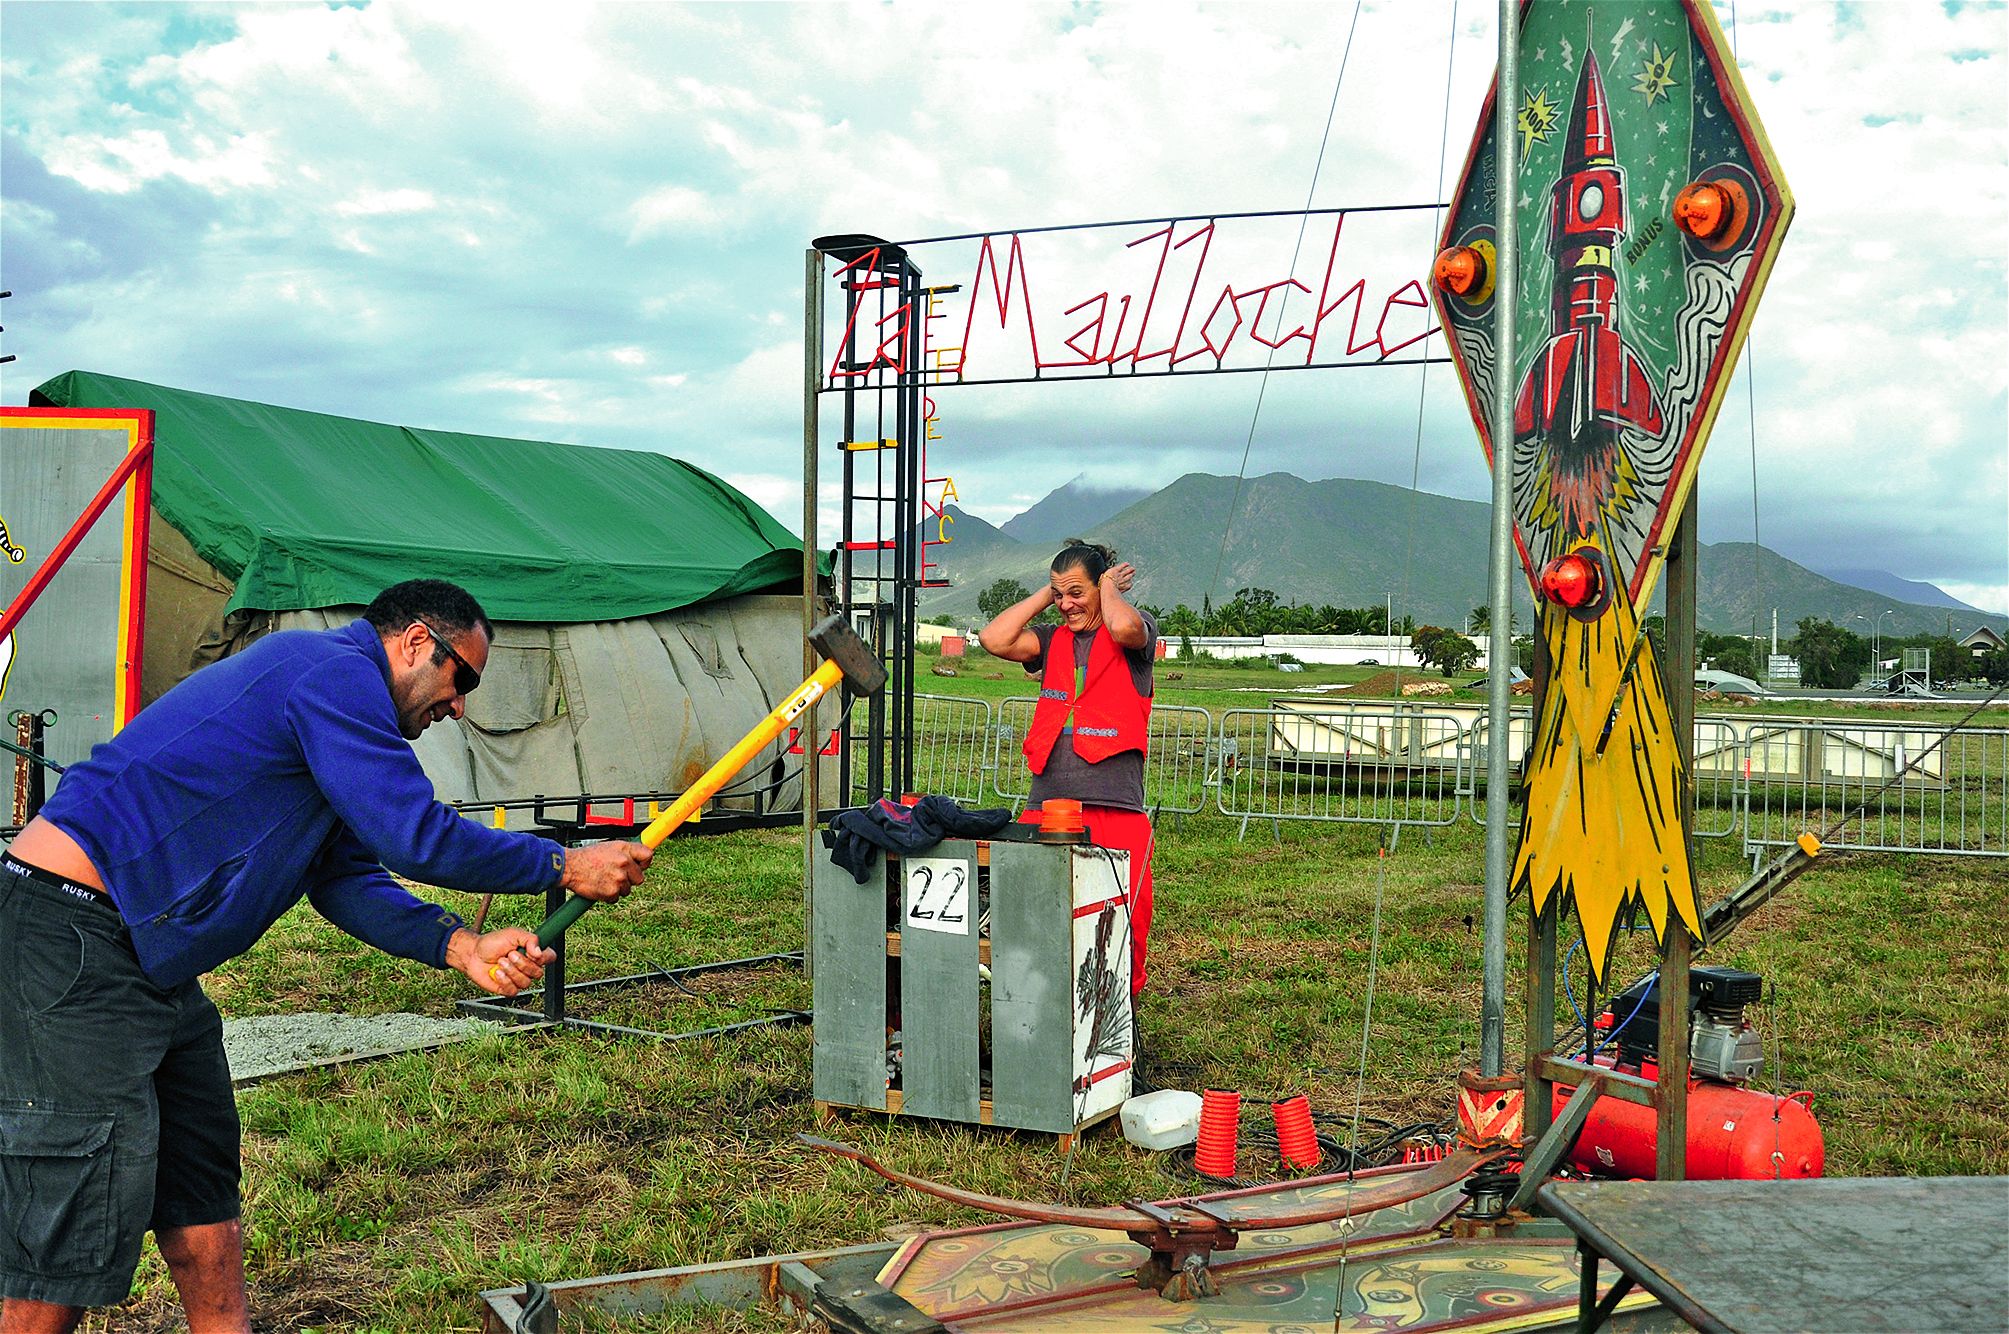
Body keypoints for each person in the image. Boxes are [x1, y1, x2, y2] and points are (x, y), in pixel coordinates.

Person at [0, 579, 651, 1334]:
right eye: (461, 678)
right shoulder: (331, 675)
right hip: (71, 936)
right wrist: (562, 865)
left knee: (200, 1182)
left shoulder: (332, 707)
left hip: (147, 958)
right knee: (72, 1204)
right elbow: (414, 834)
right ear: (415, 641)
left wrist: (459, 945)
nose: (457, 706)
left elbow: (342, 877)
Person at [978, 540, 1158, 997]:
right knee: (1031, 910)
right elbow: (994, 639)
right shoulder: (1049, 638)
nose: (1066, 605)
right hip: (1048, 802)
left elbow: (1123, 627)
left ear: (1101, 586)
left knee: (1124, 919)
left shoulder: (1135, 630)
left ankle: (1120, 1019)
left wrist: (1108, 588)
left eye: (1077, 593)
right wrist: (1051, 592)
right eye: (1060, 595)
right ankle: (1038, 1008)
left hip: (1114, 803)